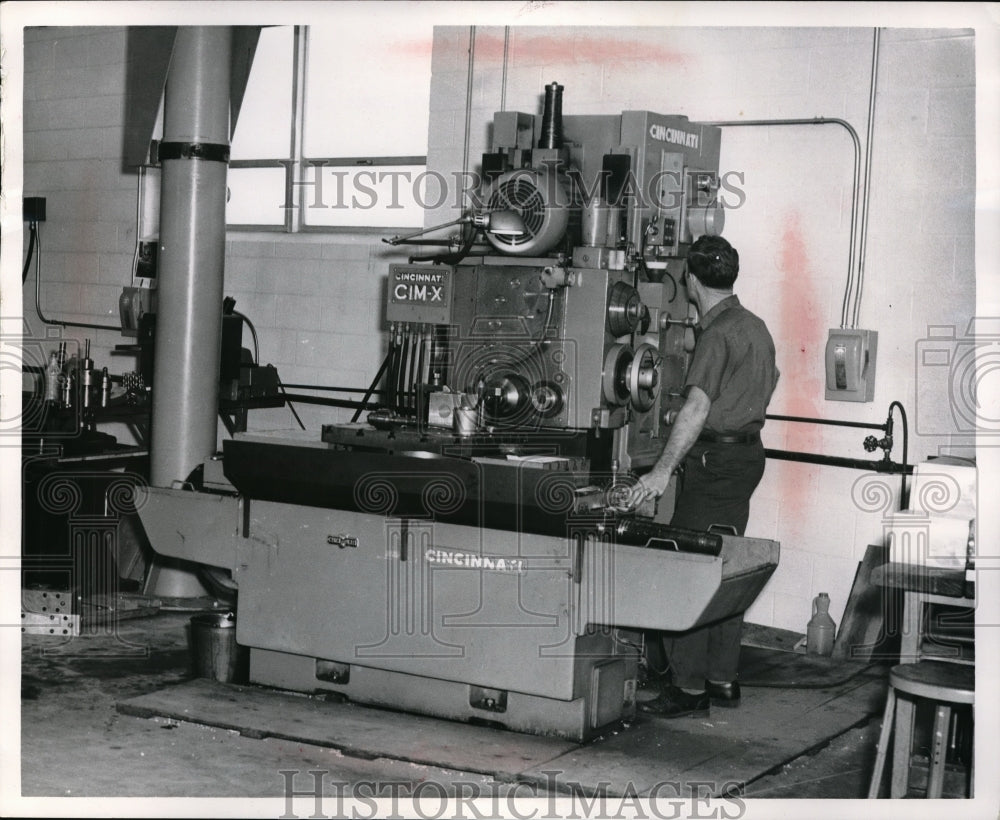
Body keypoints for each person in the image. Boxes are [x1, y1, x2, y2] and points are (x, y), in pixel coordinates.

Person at [625, 234, 778, 718]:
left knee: (684, 566)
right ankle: (722, 679)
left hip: (712, 465)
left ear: (691, 280)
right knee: (725, 564)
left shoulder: (717, 336)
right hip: (745, 459)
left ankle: (687, 688)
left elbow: (695, 408)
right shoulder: (754, 326)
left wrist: (661, 472)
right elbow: (766, 383)